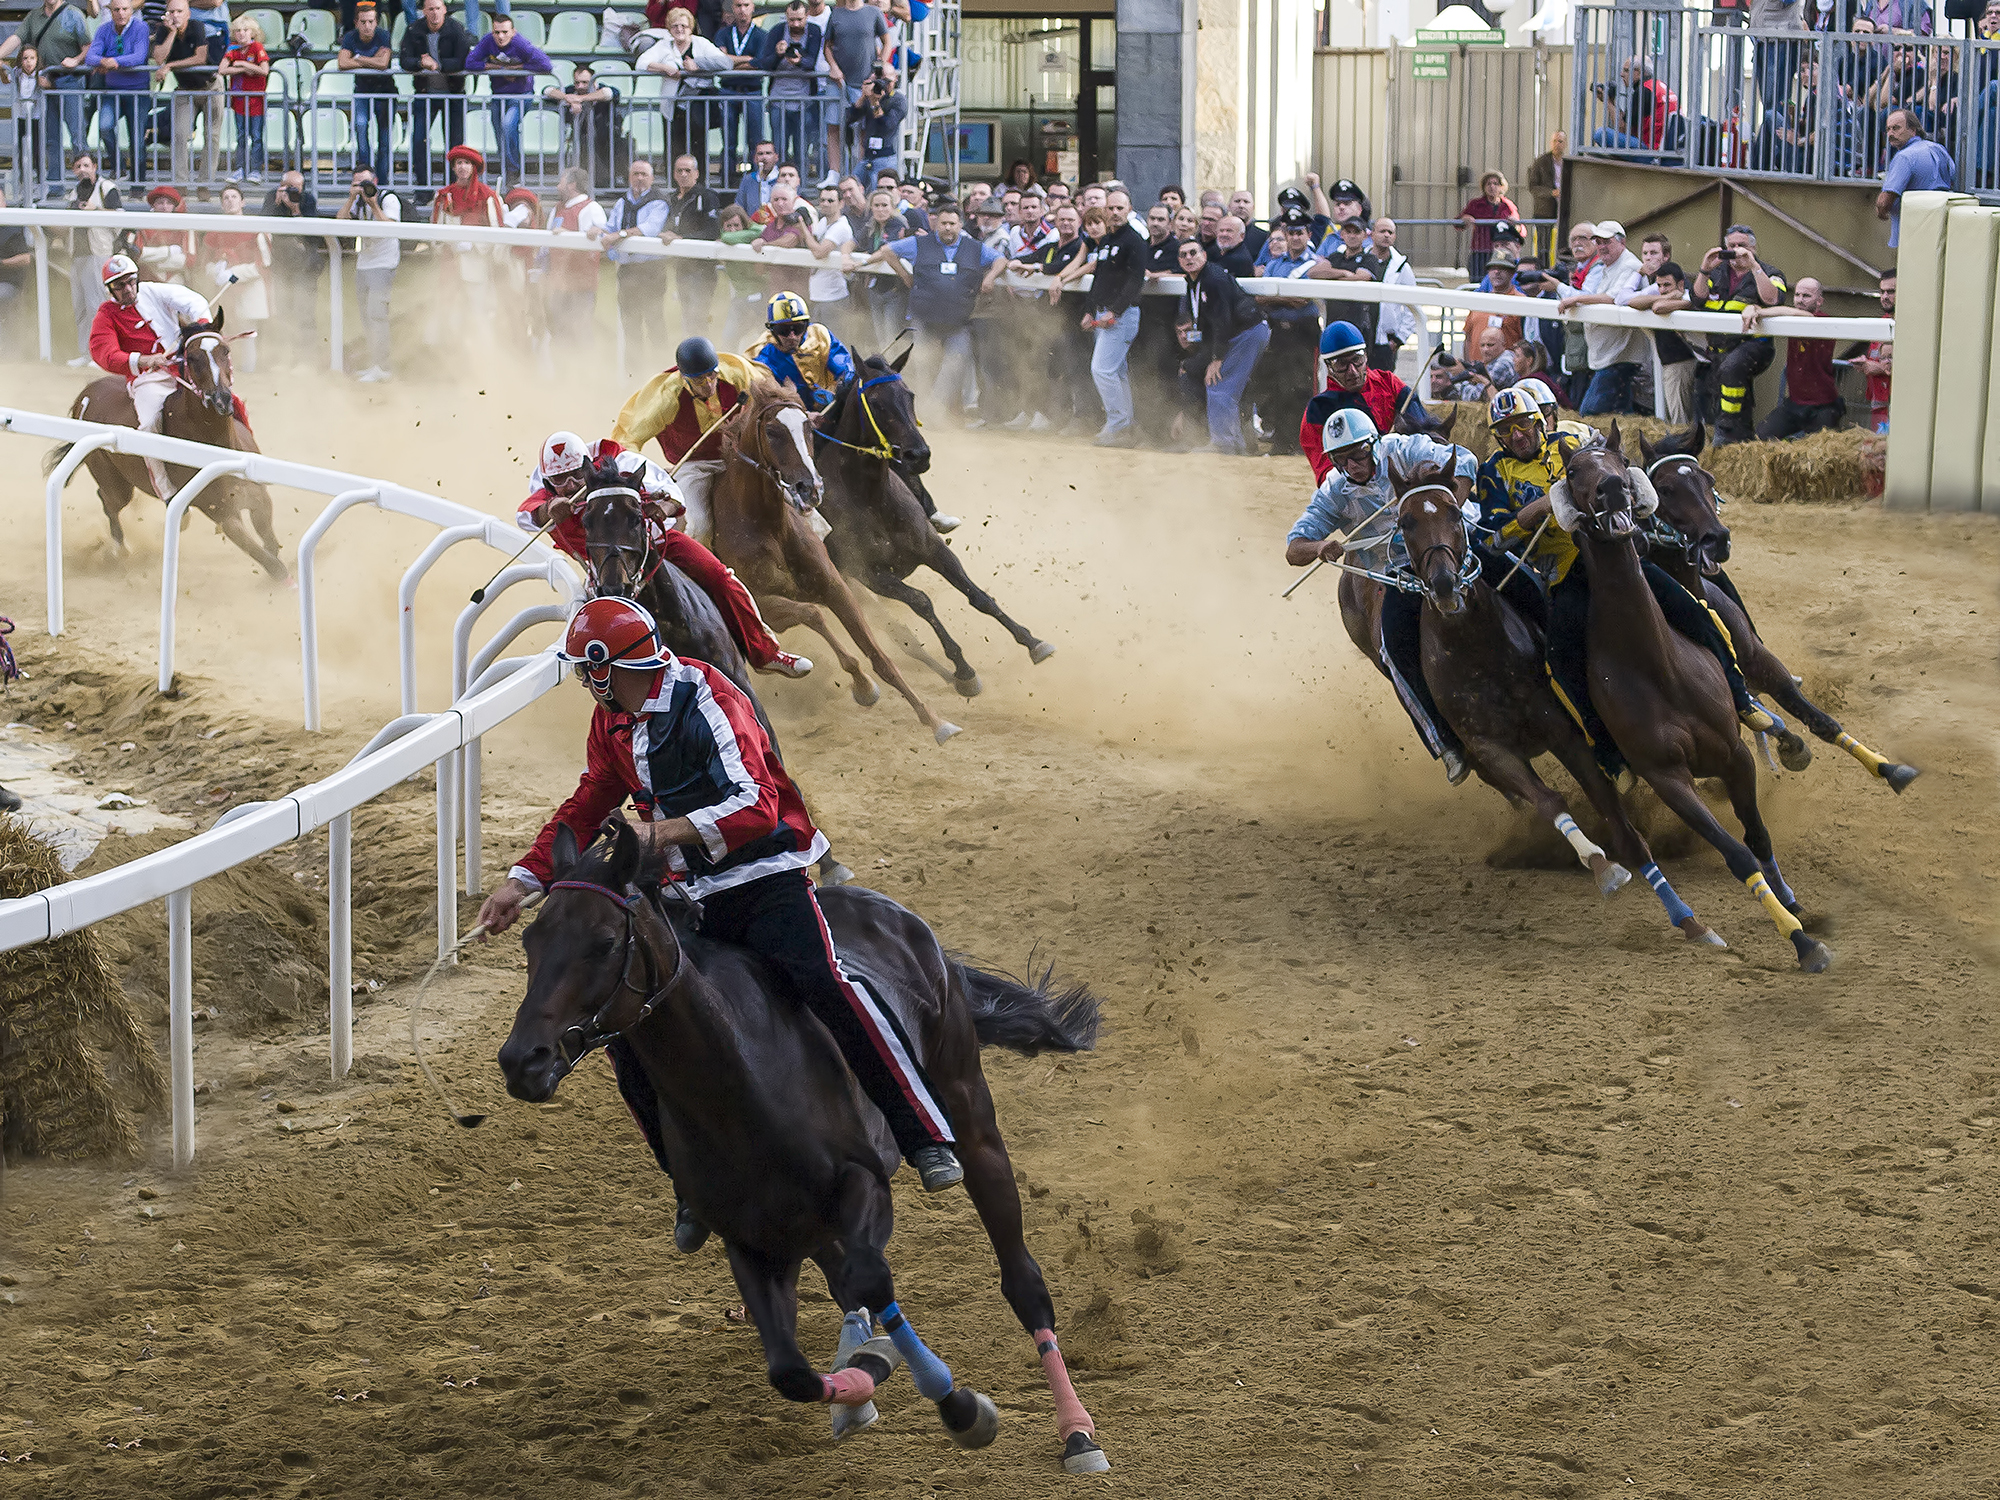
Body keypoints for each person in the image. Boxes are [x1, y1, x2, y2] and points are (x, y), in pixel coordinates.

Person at [474, 595, 961, 1253]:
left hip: (762, 880)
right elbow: (589, 801)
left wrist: (661, 831)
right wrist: (521, 882)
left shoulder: (708, 695)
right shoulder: (612, 721)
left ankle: (922, 1132)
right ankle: (689, 1183)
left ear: (615, 665)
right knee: (625, 1029)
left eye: (591, 673)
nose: (586, 685)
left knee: (824, 980)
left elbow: (756, 805)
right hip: (685, 893)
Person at [1285, 407, 1479, 783]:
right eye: (1341, 460)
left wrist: (1451, 507)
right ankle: (1445, 744)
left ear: (1374, 444)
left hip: (1450, 551)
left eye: (1357, 455)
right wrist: (1320, 546)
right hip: (1398, 577)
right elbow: (1294, 548)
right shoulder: (1335, 492)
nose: (1352, 466)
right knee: (1392, 649)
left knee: (1513, 574)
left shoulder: (1403, 449)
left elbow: (1466, 460)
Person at [517, 433, 809, 678]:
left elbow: (672, 494)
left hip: (654, 540)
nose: (570, 485)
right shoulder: (543, 487)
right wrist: (549, 509)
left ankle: (765, 653)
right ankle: (597, 677)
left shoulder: (623, 462)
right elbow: (526, 515)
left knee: (719, 576)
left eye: (576, 475)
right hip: (603, 565)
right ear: (547, 480)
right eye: (560, 480)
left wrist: (663, 509)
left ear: (588, 465)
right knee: (588, 618)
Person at [860, 202, 1006, 419]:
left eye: (952, 224)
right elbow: (888, 251)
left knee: (955, 363)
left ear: (960, 225)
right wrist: (904, 275)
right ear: (936, 224)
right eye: (943, 223)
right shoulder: (919, 243)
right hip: (924, 318)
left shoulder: (974, 247)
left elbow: (1001, 260)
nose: (947, 228)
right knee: (921, 365)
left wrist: (990, 277)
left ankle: (931, 410)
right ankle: (916, 411)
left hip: (959, 320)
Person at [611, 334, 759, 538]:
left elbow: (770, 399)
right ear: (684, 378)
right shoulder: (665, 398)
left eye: (712, 376)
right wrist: (643, 478)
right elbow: (626, 440)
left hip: (742, 455)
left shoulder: (737, 372)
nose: (709, 385)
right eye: (699, 380)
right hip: (695, 466)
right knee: (698, 527)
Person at [89, 253, 231, 439]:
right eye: (119, 285)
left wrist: (202, 329)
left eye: (131, 281)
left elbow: (194, 302)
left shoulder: (153, 290)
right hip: (148, 380)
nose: (128, 289)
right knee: (149, 425)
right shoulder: (106, 315)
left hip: (184, 368)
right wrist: (144, 360)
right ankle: (156, 469)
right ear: (110, 289)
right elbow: (106, 354)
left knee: (226, 395)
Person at [1049, 199, 1147, 448]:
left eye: (1119, 209)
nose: (1114, 213)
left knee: (1102, 370)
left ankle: (1119, 425)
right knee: (1116, 371)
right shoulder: (1108, 241)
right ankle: (1124, 425)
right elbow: (1100, 278)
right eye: (1111, 209)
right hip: (1103, 314)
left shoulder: (1134, 241)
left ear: (1129, 210)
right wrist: (1089, 310)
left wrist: (1115, 311)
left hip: (1120, 316)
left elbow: (1135, 281)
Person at [1300, 320, 1431, 481]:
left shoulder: (1390, 383)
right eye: (1341, 364)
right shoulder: (1318, 409)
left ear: (1366, 356)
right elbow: (1327, 478)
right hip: (1356, 491)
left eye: (1357, 360)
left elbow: (1426, 436)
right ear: (1328, 367)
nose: (1353, 372)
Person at [1692, 224, 1787, 444]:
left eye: (1742, 246)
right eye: (1731, 246)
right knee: (1719, 388)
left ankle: (1725, 429)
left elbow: (1772, 299)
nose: (1736, 251)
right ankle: (1737, 438)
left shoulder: (1769, 272)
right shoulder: (1716, 273)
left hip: (1754, 345)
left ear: (1753, 248)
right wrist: (1705, 268)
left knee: (1732, 368)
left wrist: (1753, 266)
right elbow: (1698, 299)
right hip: (1718, 347)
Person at [1174, 236, 1268, 456]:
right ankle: (1232, 443)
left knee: (1219, 384)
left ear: (1204, 256)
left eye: (1193, 253)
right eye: (1183, 255)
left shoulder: (1213, 279)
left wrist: (1216, 359)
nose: (1189, 258)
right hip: (1242, 334)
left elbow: (1222, 321)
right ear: (1178, 261)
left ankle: (1224, 443)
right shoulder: (1194, 282)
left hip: (1247, 332)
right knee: (1220, 385)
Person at [1557, 220, 1650, 416]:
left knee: (1590, 412)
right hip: (1608, 353)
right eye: (1598, 242)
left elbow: (1613, 298)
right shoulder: (1609, 266)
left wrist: (1575, 299)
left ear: (1622, 242)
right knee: (1620, 412)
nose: (1601, 247)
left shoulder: (1630, 265)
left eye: (1606, 242)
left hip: (1621, 355)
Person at [1250, 207, 1321, 458]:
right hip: (1278, 332)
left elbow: (1303, 300)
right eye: (1290, 232)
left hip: (1303, 332)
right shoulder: (1274, 263)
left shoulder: (1316, 265)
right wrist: (1284, 299)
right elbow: (1261, 296)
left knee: (1303, 388)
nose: (1294, 237)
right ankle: (1282, 439)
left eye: (1299, 232)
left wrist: (1277, 298)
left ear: (1309, 234)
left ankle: (1304, 442)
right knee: (1277, 386)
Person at [5, 0, 94, 190]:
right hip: (45, 82)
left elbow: (88, 45)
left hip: (70, 80)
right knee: (51, 137)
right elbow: (16, 38)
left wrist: (76, 60)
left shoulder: (73, 14)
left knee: (77, 135)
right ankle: (55, 186)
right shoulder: (34, 16)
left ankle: (87, 185)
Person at [1746, 276, 1843, 439]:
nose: (1800, 300)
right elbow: (1783, 314)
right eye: (1797, 295)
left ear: (1819, 301)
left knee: (1821, 453)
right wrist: (1752, 308)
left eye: (1806, 296)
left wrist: (1758, 310)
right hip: (1795, 403)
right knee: (1760, 437)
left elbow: (1801, 316)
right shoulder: (1790, 320)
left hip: (1823, 405)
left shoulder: (1823, 321)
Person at [601, 159, 671, 375]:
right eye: (635, 174)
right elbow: (611, 227)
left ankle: (663, 374)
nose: (639, 178)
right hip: (627, 271)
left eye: (644, 174)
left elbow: (650, 228)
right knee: (630, 326)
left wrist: (619, 235)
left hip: (651, 271)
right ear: (629, 177)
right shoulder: (622, 201)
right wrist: (598, 231)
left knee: (654, 324)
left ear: (651, 178)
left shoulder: (659, 201)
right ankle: (634, 376)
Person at [637, 7, 728, 169]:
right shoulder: (664, 45)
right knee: (673, 149)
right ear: (669, 28)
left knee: (697, 148)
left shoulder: (701, 43)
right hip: (673, 107)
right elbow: (641, 63)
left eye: (683, 26)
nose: (679, 30)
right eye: (675, 26)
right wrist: (664, 68)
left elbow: (725, 63)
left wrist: (697, 65)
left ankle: (698, 187)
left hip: (698, 106)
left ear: (690, 27)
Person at [468, 13, 553, 185]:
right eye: (497, 32)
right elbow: (470, 63)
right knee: (499, 132)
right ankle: (507, 170)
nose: (500, 36)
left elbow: (546, 64)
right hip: (498, 95)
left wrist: (517, 68)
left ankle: (514, 170)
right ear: (492, 32)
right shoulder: (487, 41)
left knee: (508, 125)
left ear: (513, 31)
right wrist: (499, 67)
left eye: (505, 32)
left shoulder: (520, 43)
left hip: (521, 95)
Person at [335, 165, 401, 383]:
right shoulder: (357, 202)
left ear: (375, 181)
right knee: (366, 317)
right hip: (363, 264)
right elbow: (339, 223)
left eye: (366, 183)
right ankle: (375, 365)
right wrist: (350, 199)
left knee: (377, 315)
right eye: (358, 184)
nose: (363, 188)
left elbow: (390, 228)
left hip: (384, 263)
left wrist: (372, 204)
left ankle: (384, 367)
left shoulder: (388, 199)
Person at [401, 0, 473, 203]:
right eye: (430, 9)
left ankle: (453, 190)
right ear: (424, 11)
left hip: (453, 93)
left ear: (445, 10)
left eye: (438, 9)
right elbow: (405, 59)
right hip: (425, 93)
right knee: (419, 140)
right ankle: (423, 190)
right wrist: (419, 62)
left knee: (454, 144)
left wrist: (437, 65)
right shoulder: (414, 29)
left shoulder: (456, 29)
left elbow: (463, 60)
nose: (434, 13)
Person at [745, 289, 855, 409]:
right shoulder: (758, 356)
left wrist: (840, 389)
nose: (792, 336)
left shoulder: (820, 334)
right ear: (771, 329)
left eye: (798, 328)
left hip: (832, 406)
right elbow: (768, 398)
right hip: (790, 414)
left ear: (807, 325)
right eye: (783, 330)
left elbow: (845, 369)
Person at [201, 183, 270, 370]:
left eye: (234, 197)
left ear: (243, 202)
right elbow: (204, 261)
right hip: (223, 290)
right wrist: (215, 270)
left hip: (249, 289)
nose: (230, 201)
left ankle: (250, 370)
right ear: (222, 204)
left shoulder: (256, 228)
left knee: (248, 332)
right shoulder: (214, 231)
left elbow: (264, 264)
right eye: (226, 198)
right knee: (225, 330)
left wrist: (234, 273)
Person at [150, 0, 219, 186]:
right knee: (179, 135)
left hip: (210, 85)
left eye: (180, 11)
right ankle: (180, 184)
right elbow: (158, 58)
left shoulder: (196, 26)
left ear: (188, 13)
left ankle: (205, 183)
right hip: (185, 88)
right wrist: (171, 32)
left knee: (212, 135)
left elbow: (200, 57)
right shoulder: (163, 31)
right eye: (171, 11)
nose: (175, 15)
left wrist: (170, 66)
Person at [1627, 261, 1701, 425]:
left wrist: (1662, 299)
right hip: (1671, 363)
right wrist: (1666, 296)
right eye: (1659, 285)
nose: (1662, 289)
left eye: (1667, 285)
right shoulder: (1666, 295)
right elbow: (1631, 301)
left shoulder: (1687, 297)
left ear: (1680, 284)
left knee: (1680, 420)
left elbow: (1658, 308)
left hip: (1682, 363)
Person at [84, 0, 150, 184]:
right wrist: (105, 61)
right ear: (110, 11)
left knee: (136, 139)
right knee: (105, 126)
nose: (121, 13)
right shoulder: (104, 29)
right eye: (116, 9)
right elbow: (91, 56)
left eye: (125, 9)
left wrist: (114, 62)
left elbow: (139, 55)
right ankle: (118, 165)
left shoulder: (141, 27)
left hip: (138, 91)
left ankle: (138, 185)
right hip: (112, 90)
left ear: (132, 10)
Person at [821, 0, 888, 173]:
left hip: (865, 82)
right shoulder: (836, 14)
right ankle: (834, 173)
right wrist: (833, 67)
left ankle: (860, 173)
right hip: (839, 82)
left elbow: (887, 42)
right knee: (833, 126)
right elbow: (827, 46)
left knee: (864, 129)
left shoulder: (873, 13)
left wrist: (879, 67)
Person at [759, 0, 822, 178]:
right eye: (791, 20)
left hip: (805, 100)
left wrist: (799, 60)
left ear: (807, 16)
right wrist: (778, 54)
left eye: (799, 20)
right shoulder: (777, 31)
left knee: (802, 148)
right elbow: (765, 63)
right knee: (779, 147)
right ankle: (779, 184)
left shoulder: (814, 32)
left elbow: (813, 62)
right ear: (786, 17)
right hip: (778, 99)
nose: (795, 24)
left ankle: (799, 186)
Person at [1877, 108, 1955, 250]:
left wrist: (1881, 212)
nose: (1890, 134)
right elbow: (1953, 177)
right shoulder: (1938, 148)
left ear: (1913, 130)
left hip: (1911, 231)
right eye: (1888, 129)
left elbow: (1885, 200)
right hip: (1940, 226)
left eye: (1896, 128)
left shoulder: (1904, 157)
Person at [339, 3, 398, 184]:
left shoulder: (383, 35)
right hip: (362, 91)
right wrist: (373, 60)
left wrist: (358, 58)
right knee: (360, 127)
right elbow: (342, 63)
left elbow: (383, 64)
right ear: (356, 23)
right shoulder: (350, 37)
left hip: (385, 92)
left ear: (376, 22)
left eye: (371, 21)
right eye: (363, 22)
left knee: (385, 139)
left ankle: (383, 182)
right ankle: (364, 178)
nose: (367, 26)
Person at [547, 61, 621, 190]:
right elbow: (547, 90)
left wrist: (581, 99)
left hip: (607, 136)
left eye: (585, 82)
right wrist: (568, 98)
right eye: (577, 82)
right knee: (584, 142)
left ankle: (611, 182)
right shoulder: (571, 91)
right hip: (583, 137)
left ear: (593, 81)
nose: (580, 86)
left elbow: (610, 93)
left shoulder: (602, 88)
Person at [798, 182, 857, 341]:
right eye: (822, 200)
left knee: (833, 344)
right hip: (818, 294)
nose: (825, 204)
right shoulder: (823, 222)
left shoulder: (841, 227)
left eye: (830, 201)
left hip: (833, 297)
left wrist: (803, 227)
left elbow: (819, 252)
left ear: (841, 203)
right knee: (816, 343)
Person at [713, 0, 765, 177]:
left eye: (746, 5)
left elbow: (759, 64)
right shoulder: (723, 33)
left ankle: (755, 180)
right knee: (728, 142)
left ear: (753, 8)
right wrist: (747, 59)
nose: (742, 10)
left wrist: (732, 62)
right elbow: (721, 62)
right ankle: (727, 181)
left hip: (753, 91)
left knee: (755, 142)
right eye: (738, 6)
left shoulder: (761, 35)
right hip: (728, 90)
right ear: (732, 9)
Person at [1846, 268, 1895, 432]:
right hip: (1879, 407)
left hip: (1897, 408)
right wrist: (1866, 363)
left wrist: (1878, 368)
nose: (1885, 297)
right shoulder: (1881, 324)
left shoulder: (1911, 326)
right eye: (1882, 292)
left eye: (1891, 291)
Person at [1367, 218, 1417, 373]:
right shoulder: (1362, 259)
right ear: (1372, 234)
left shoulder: (1402, 266)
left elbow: (1413, 305)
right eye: (1382, 231)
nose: (1386, 235)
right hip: (1362, 337)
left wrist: (1399, 339)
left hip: (1385, 342)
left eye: (1390, 232)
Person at [848, 64, 905, 186]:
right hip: (867, 156)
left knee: (879, 192)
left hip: (885, 157)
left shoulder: (898, 100)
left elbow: (887, 126)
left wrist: (875, 103)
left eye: (887, 81)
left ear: (895, 78)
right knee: (852, 186)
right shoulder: (870, 97)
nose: (884, 85)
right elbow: (850, 118)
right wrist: (863, 96)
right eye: (881, 81)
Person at [1457, 170, 1518, 283]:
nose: (1492, 187)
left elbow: (1520, 230)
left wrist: (1516, 224)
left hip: (1501, 252)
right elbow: (1457, 222)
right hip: (1480, 251)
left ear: (1501, 187)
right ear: (1483, 187)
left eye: (1495, 184)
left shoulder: (1508, 206)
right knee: (1477, 282)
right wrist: (1465, 218)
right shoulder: (1475, 204)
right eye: (1488, 184)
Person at [1528, 130, 1565, 236]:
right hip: (1544, 210)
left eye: (1560, 141)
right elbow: (1533, 187)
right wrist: (1551, 192)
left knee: (1563, 242)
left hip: (1564, 209)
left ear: (1565, 144)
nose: (1557, 144)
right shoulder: (1540, 162)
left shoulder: (1568, 162)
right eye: (1554, 141)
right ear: (1550, 143)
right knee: (1543, 246)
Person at [735, 139, 782, 219]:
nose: (764, 157)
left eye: (768, 153)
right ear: (755, 158)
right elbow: (739, 207)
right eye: (760, 154)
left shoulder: (784, 177)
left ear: (776, 157)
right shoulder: (748, 180)